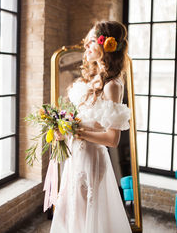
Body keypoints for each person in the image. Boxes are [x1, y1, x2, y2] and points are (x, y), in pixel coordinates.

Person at [49, 20, 132, 233]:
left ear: (106, 46)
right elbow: (83, 122)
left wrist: (76, 132)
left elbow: (112, 139)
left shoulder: (112, 85)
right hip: (76, 158)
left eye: (91, 41)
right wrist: (64, 130)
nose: (86, 45)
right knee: (71, 216)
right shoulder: (94, 78)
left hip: (91, 161)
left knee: (84, 218)